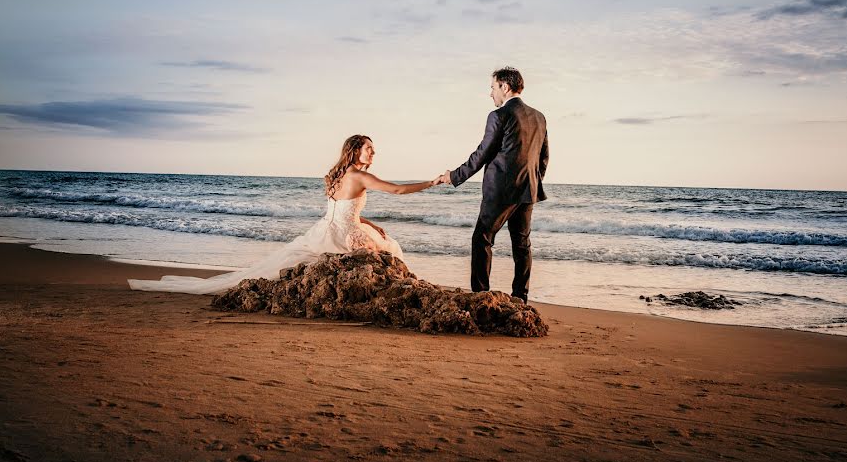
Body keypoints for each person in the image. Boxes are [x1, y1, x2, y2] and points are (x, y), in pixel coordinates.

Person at [128, 135, 444, 295]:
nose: (373, 154)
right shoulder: (359, 176)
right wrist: (432, 182)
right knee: (392, 249)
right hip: (345, 233)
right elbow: (398, 191)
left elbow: (341, 210)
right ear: (355, 151)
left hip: (328, 228)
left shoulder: (339, 174)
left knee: (293, 261)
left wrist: (368, 222)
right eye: (369, 149)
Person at [442, 67, 549, 303]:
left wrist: (454, 176)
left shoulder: (499, 116)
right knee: (522, 245)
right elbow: (543, 158)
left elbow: (482, 154)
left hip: (501, 191)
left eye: (492, 87)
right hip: (528, 189)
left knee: (482, 239)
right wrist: (531, 180)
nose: (491, 93)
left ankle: (481, 296)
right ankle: (520, 297)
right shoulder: (539, 116)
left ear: (505, 87)